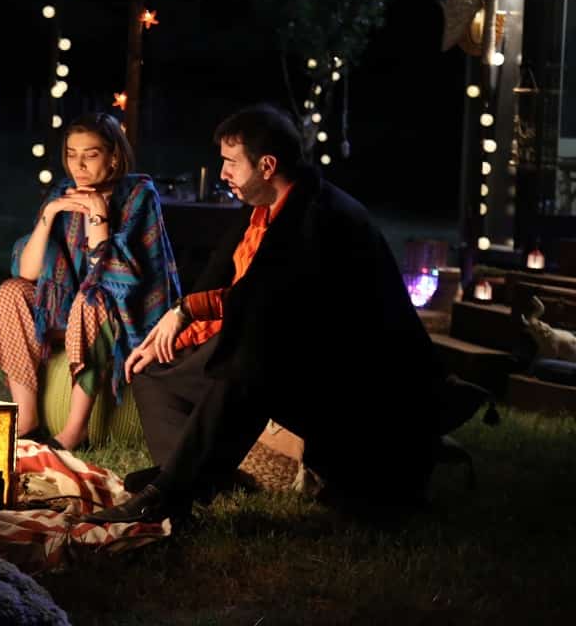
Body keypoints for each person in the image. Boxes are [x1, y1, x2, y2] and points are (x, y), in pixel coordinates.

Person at [83, 103, 488, 524]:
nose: (222, 173)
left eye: (231, 163)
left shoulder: (321, 217)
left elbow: (264, 300)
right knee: (152, 371)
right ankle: (187, 476)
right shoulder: (262, 210)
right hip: (289, 357)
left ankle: (168, 496)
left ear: (267, 165)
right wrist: (168, 337)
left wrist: (186, 311)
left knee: (249, 358)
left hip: (358, 382)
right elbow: (223, 286)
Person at [0, 112, 182, 450]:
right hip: (69, 314)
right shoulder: (64, 193)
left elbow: (116, 279)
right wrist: (49, 215)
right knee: (11, 292)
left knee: (91, 298)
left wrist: (99, 215)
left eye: (91, 154)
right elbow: (27, 272)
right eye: (72, 154)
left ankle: (76, 430)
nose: (79, 165)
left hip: (124, 317)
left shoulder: (139, 195)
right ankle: (27, 421)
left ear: (113, 157)